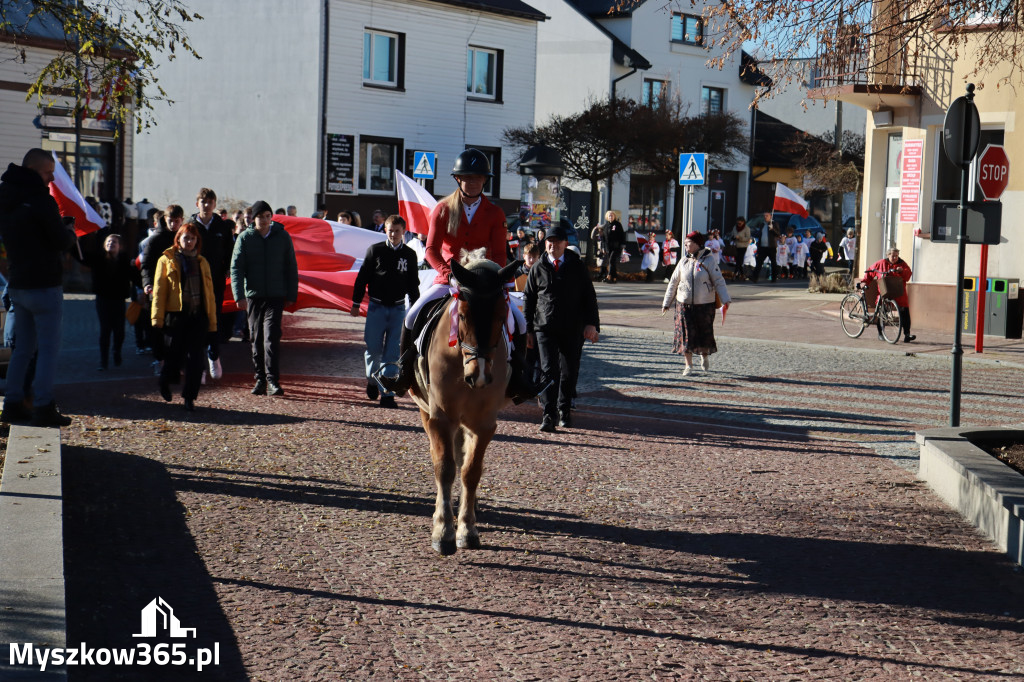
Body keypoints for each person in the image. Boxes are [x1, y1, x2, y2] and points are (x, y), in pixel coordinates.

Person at [378, 148, 540, 404]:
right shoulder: (442, 209)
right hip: (449, 280)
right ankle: (403, 373)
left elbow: (499, 254)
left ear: (484, 180)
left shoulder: (495, 214)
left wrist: (488, 277)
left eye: (477, 177)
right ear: (458, 179)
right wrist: (447, 273)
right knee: (411, 316)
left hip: (484, 283)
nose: (472, 182)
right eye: (467, 177)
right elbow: (431, 250)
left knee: (518, 321)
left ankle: (520, 379)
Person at [0, 148, 78, 426]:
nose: (50, 180)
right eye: (48, 173)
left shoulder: (5, 195)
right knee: (47, 349)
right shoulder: (40, 199)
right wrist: (69, 230)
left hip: (18, 284)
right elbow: (59, 241)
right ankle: (43, 405)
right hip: (44, 284)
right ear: (34, 169)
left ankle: (12, 403)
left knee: (22, 350)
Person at [524, 223, 600, 433]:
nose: (552, 246)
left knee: (569, 371)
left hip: (572, 327)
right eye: (549, 242)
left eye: (557, 242)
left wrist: (592, 324)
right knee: (548, 370)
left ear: (565, 244)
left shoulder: (576, 265)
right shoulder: (538, 267)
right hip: (544, 327)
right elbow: (529, 299)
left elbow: (589, 296)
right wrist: (528, 329)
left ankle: (564, 410)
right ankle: (549, 415)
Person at [351, 215, 420, 408]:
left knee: (391, 352)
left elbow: (413, 284)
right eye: (390, 230)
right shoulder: (376, 251)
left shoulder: (409, 255)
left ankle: (387, 393)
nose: (393, 234)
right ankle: (372, 380)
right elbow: (362, 277)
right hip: (376, 308)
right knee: (373, 349)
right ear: (385, 231)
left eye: (397, 231)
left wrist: (415, 308)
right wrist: (356, 303)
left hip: (398, 309)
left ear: (403, 232)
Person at [230, 200, 299, 396]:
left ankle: (273, 381)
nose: (264, 220)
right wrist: (239, 295)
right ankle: (260, 379)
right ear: (254, 218)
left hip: (276, 296)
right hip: (254, 296)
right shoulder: (245, 238)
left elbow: (291, 266)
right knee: (256, 337)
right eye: (260, 217)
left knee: (271, 337)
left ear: (271, 217)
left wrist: (291, 294)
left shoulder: (282, 237)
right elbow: (236, 268)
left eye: (268, 216)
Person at [151, 222, 218, 411]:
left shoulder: (202, 262)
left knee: (196, 361)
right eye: (186, 237)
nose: (189, 241)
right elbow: (159, 291)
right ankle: (164, 382)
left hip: (198, 317)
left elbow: (209, 294)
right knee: (174, 357)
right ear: (178, 239)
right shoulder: (167, 260)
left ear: (197, 241)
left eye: (193, 238)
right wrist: (157, 320)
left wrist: (212, 323)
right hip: (176, 316)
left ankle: (190, 397)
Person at [661, 231, 731, 377]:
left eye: (689, 243)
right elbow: (673, 282)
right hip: (684, 304)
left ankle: (704, 355)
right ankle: (688, 365)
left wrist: (726, 299)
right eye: (685, 243)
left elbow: (719, 281)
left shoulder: (709, 260)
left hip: (705, 304)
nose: (686, 246)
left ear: (698, 244)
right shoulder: (683, 261)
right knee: (685, 335)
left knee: (703, 334)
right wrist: (666, 302)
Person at [188, 189, 234, 381]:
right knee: (196, 322)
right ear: (197, 203)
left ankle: (213, 356)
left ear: (215, 204)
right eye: (203, 201)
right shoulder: (190, 226)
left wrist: (227, 270)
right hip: (193, 281)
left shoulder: (222, 227)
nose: (206, 205)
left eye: (210, 202)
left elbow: (231, 252)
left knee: (213, 320)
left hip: (215, 281)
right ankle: (199, 367)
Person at [77, 233, 137, 370]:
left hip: (119, 299)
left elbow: (135, 277)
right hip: (103, 299)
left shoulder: (125, 261)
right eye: (108, 242)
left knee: (119, 330)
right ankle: (103, 361)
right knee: (105, 329)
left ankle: (117, 351)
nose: (111, 244)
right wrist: (77, 241)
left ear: (119, 246)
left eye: (114, 242)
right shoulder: (98, 259)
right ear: (104, 245)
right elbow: (81, 257)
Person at [864, 247, 915, 342]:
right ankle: (880, 333)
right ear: (888, 255)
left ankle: (907, 334)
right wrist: (864, 282)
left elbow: (908, 275)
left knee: (905, 312)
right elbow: (870, 272)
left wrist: (902, 271)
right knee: (882, 312)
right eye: (893, 256)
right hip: (884, 292)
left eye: (896, 256)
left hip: (898, 292)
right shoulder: (881, 263)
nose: (895, 258)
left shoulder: (902, 264)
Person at [754, 211, 780, 282]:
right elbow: (760, 235)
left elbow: (778, 234)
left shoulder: (774, 224)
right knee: (759, 262)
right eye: (764, 216)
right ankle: (755, 277)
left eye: (767, 216)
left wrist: (772, 229)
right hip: (763, 247)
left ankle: (774, 277)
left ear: (770, 216)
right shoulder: (762, 224)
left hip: (771, 247)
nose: (765, 217)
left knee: (773, 262)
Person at [603, 211, 625, 283]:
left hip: (616, 246)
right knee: (612, 262)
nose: (610, 217)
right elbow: (604, 238)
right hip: (608, 247)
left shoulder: (618, 224)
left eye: (612, 215)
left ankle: (609, 276)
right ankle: (614, 277)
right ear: (607, 217)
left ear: (614, 216)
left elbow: (622, 235)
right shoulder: (606, 226)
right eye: (609, 216)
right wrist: (603, 247)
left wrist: (622, 245)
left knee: (611, 260)